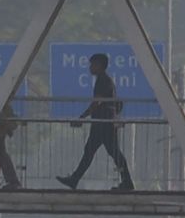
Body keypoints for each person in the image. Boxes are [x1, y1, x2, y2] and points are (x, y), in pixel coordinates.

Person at [56, 53, 134, 191]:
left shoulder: (103, 81)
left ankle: (127, 182)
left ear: (99, 65)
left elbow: (96, 102)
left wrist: (82, 117)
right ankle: (75, 179)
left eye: (93, 64)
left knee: (110, 153)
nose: (90, 67)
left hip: (103, 123)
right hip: (104, 122)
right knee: (99, 152)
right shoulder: (105, 80)